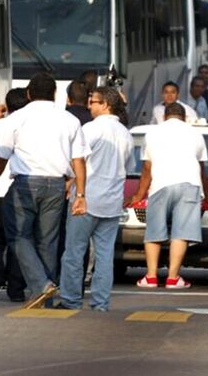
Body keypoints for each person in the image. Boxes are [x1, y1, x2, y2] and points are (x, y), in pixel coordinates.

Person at [0, 73, 89, 309]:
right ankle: (43, 296)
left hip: (26, 182)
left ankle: (41, 285)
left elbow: (2, 155)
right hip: (57, 183)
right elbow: (79, 161)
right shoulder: (69, 120)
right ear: (55, 93)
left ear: (28, 93)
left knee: (18, 234)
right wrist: (81, 195)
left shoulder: (17, 118)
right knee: (48, 241)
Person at [58, 87, 131, 311]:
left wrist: (71, 185)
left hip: (86, 199)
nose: (89, 106)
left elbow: (76, 160)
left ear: (106, 104)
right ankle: (100, 302)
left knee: (74, 253)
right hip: (111, 202)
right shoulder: (125, 133)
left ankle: (71, 300)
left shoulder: (91, 129)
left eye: (94, 102)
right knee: (105, 256)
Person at [129, 102, 208, 289]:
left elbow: (147, 168)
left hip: (160, 184)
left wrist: (139, 194)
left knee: (154, 231)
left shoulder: (152, 133)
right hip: (189, 184)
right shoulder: (195, 133)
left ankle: (151, 277)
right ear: (183, 117)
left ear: (165, 116)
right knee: (181, 232)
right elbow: (201, 167)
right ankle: (173, 278)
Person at [0, 89, 29, 302]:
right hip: (18, 189)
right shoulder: (29, 126)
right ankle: (16, 288)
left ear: (6, 106)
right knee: (18, 238)